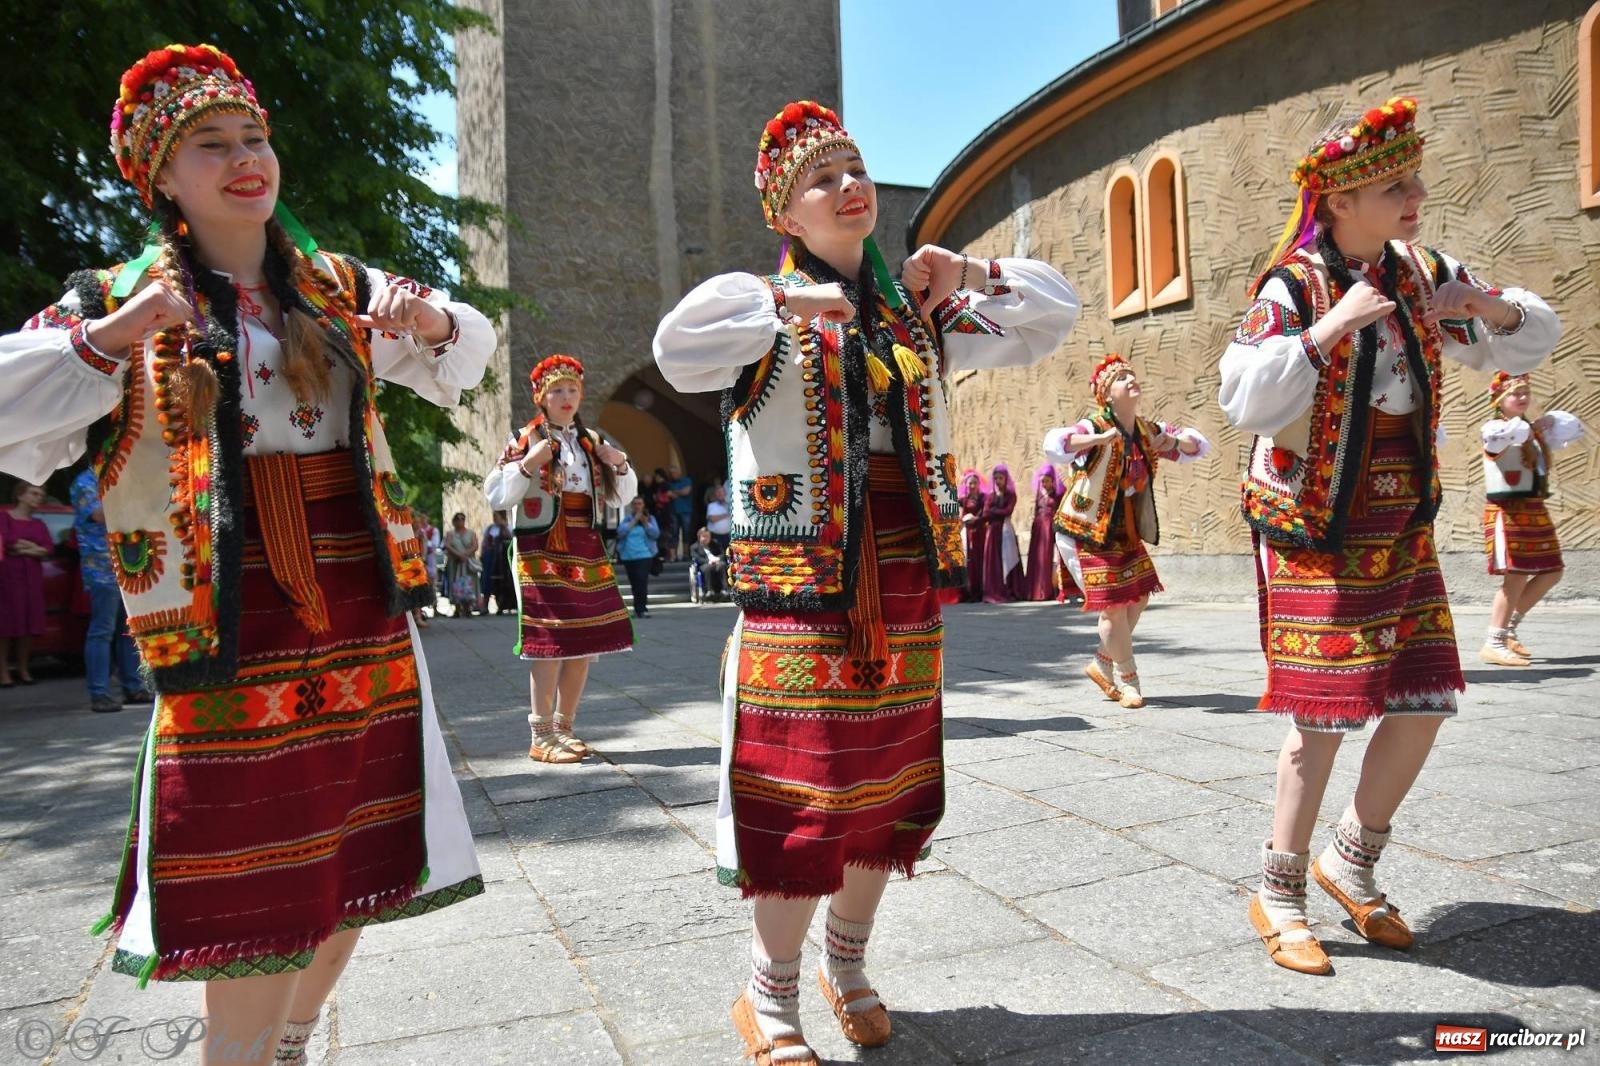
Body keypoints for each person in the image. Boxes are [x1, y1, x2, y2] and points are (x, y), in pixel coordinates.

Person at [0, 44, 492, 1060]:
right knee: (247, 876)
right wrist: (112, 338)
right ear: (161, 178)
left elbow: (464, 357)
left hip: (357, 598)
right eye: (210, 145)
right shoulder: (117, 297)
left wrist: (433, 317)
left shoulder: (335, 284)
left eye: (253, 137)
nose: (242, 158)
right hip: (228, 617)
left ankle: (294, 1038)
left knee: (358, 853)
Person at [653, 100, 1078, 1064]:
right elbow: (677, 348)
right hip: (802, 581)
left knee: (882, 785)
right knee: (799, 781)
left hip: (900, 567)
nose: (849, 185)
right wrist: (783, 306)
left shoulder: (916, 312)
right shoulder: (758, 307)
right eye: (822, 178)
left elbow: (1054, 316)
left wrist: (965, 270)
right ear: (787, 216)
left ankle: (846, 964)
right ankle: (767, 994)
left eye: (856, 169)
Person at [1217, 96, 1559, 975]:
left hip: (1401, 516)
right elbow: (1245, 401)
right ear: (1336, 201)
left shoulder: (1421, 270)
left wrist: (1483, 302)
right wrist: (1329, 329)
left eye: (1414, 181)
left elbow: (1519, 345)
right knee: (1324, 713)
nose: (1415, 196)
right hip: (1315, 523)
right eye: (1392, 185)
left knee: (1425, 699)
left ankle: (1351, 861)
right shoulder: (1290, 286)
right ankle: (1279, 887)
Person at [483, 354, 636, 763]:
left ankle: (565, 728)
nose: (566, 397)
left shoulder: (591, 442)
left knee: (584, 641)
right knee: (549, 637)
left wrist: (619, 462)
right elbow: (496, 494)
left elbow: (621, 496)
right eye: (557, 391)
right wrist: (528, 466)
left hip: (585, 543)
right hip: (541, 545)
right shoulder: (524, 439)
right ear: (541, 397)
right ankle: (541, 733)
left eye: (573, 390)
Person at [1045, 354, 1208, 708]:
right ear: (1107, 394)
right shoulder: (1095, 425)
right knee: (1114, 608)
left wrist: (1176, 442)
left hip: (1124, 529)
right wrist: (1096, 440)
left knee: (1140, 596)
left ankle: (1101, 663)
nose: (1131, 379)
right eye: (1121, 378)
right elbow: (1060, 444)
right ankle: (1128, 680)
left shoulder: (1147, 431)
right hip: (1085, 530)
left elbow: (1193, 446)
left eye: (1133, 375)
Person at [1478, 372, 1582, 666]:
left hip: (1534, 510)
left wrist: (1539, 427)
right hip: (1508, 511)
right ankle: (1494, 641)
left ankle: (1508, 630)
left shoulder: (1530, 430)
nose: (1522, 397)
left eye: (1526, 392)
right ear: (1499, 400)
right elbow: (1500, 442)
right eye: (1515, 393)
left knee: (1552, 571)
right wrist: (1530, 428)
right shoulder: (1495, 429)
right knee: (1516, 576)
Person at [72, 463, 150, 710]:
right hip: (102, 570)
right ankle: (99, 693)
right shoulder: (84, 482)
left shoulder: (116, 478)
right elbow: (99, 514)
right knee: (101, 631)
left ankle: (134, 688)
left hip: (126, 566)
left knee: (128, 631)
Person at [0, 482, 51, 688]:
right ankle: (3, 672)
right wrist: (33, 547)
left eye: (40, 494)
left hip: (32, 578)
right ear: (20, 495)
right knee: (7, 624)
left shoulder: (39, 524)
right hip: (8, 578)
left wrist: (25, 548)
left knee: (29, 624)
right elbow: (8, 543)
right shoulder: (4, 517)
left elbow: (47, 549)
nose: (38, 497)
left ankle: (23, 668)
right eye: (34, 493)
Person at [979, 463, 1026, 603]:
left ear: (1006, 479)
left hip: (1005, 530)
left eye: (1001, 478)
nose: (998, 481)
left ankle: (1010, 590)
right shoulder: (990, 496)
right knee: (994, 562)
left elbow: (1008, 511)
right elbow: (985, 513)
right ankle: (994, 591)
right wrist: (995, 512)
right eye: (996, 478)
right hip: (992, 533)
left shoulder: (1011, 495)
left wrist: (994, 512)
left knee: (1008, 557)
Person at [1023, 465, 1063, 601]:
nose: (1044, 484)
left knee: (1047, 558)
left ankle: (1047, 590)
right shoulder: (1039, 494)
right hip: (1039, 529)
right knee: (1037, 558)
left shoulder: (1058, 495)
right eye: (1042, 481)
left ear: (1052, 481)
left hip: (1050, 529)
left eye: (1047, 481)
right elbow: (1036, 510)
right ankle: (1035, 591)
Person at [616, 495, 659, 618]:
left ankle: (643, 608)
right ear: (631, 506)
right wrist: (634, 520)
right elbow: (620, 532)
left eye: (639, 503)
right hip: (628, 556)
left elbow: (655, 534)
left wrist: (645, 523)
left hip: (644, 556)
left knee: (641, 581)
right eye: (635, 504)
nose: (637, 506)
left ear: (643, 505)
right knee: (634, 583)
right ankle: (637, 609)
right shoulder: (627, 520)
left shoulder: (650, 519)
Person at [479, 509, 517, 616]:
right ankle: (485, 606)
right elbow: (485, 543)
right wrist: (483, 554)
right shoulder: (490, 528)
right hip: (491, 558)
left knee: (503, 582)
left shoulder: (508, 528)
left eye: (496, 516)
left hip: (503, 560)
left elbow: (511, 540)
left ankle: (501, 605)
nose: (495, 518)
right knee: (487, 581)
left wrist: (504, 527)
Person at [956, 469, 987, 603]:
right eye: (969, 483)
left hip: (979, 532)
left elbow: (985, 514)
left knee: (978, 560)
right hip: (967, 533)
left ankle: (979, 590)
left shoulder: (983, 499)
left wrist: (977, 519)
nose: (972, 486)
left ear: (978, 484)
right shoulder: (963, 500)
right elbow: (959, 515)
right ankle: (967, 591)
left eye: (974, 483)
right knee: (967, 561)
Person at [443, 512, 479, 617]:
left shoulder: (471, 533)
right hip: (454, 562)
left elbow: (475, 545)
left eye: (462, 519)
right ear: (454, 522)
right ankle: (457, 608)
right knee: (455, 582)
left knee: (469, 583)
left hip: (467, 562)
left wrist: (465, 555)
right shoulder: (450, 533)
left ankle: (468, 608)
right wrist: (458, 555)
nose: (460, 521)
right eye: (458, 519)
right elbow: (448, 545)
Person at [691, 525, 729, 602]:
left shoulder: (715, 543)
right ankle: (709, 591)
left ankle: (725, 590)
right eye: (704, 536)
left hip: (717, 562)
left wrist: (717, 559)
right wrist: (708, 561)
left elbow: (722, 554)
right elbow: (697, 558)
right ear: (699, 537)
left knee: (722, 565)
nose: (706, 538)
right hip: (704, 564)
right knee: (709, 567)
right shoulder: (694, 547)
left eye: (708, 536)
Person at [667, 463, 695, 560]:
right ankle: (673, 556)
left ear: (679, 472)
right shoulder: (669, 483)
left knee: (686, 532)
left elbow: (686, 491)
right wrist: (680, 492)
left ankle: (686, 554)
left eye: (674, 472)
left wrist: (675, 492)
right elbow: (669, 494)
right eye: (671, 473)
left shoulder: (686, 480)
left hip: (686, 511)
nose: (673, 474)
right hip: (674, 511)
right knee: (674, 533)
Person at [705, 482, 733, 553]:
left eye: (721, 492)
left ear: (725, 494)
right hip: (715, 536)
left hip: (728, 536)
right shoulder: (712, 505)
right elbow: (712, 519)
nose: (720, 494)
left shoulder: (730, 505)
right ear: (715, 495)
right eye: (718, 493)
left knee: (728, 556)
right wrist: (726, 515)